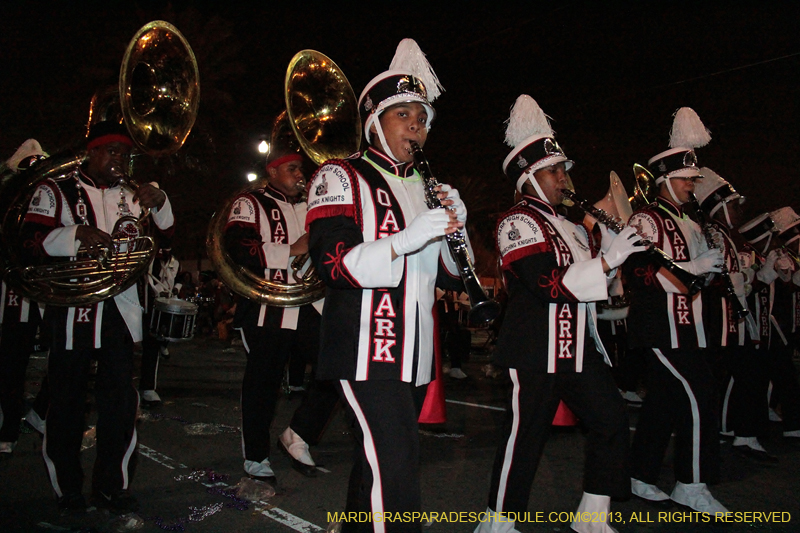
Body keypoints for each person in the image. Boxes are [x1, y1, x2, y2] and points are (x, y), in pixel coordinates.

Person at [306, 39, 467, 532]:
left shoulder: (425, 185)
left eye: (421, 118)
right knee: (396, 469)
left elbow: (447, 276)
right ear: (375, 120)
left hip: (413, 353)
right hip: (363, 350)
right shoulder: (339, 175)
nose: (416, 126)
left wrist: (455, 231)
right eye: (403, 116)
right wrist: (405, 240)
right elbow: (333, 264)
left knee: (375, 465)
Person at [476, 95, 643, 533]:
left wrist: (611, 249)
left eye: (563, 169)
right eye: (554, 170)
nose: (564, 177)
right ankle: (498, 522)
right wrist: (606, 261)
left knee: (611, 420)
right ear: (529, 176)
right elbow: (547, 283)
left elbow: (591, 291)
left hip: (576, 349)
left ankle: (592, 514)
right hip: (533, 348)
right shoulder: (516, 221)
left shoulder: (572, 226)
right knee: (525, 438)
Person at [19, 120, 175, 515]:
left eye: (125, 154)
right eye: (112, 152)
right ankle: (67, 489)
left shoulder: (132, 194)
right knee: (67, 403)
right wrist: (74, 236)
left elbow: (168, 235)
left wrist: (160, 203)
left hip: (121, 313)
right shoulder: (55, 190)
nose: (119, 160)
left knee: (121, 406)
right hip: (72, 312)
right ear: (92, 152)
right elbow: (28, 243)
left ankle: (113, 486)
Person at [624, 108, 728, 515]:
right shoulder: (647, 219)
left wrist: (709, 268)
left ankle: (639, 473)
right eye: (686, 179)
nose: (692, 186)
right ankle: (692, 483)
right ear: (666, 180)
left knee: (665, 402)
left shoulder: (690, 221)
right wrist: (691, 270)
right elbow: (641, 275)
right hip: (658, 327)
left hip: (687, 327)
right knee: (700, 396)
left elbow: (696, 281)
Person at [224, 144, 340, 488]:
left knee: (335, 369)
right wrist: (292, 249)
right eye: (291, 168)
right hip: (266, 307)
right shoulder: (250, 202)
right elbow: (238, 249)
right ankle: (256, 457)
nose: (300, 175)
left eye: (301, 169)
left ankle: (297, 434)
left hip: (309, 305)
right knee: (262, 385)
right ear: (272, 171)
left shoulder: (312, 206)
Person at [693, 168, 776, 462]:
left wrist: (756, 276)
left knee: (746, 375)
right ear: (718, 206)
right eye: (732, 205)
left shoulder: (729, 237)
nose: (737, 210)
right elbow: (711, 278)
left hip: (733, 322)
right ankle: (723, 435)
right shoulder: (712, 234)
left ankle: (741, 434)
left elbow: (739, 281)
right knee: (722, 380)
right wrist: (743, 278)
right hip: (718, 323)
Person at [0, 139, 48, 454]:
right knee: (11, 360)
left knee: (67, 358)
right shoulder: (8, 200)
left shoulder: (50, 198)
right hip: (13, 289)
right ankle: (8, 427)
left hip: (42, 290)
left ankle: (37, 413)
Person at [139, 247, 180, 408]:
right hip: (141, 304)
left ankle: (148, 388)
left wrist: (176, 289)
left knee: (152, 345)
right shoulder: (148, 258)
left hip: (158, 307)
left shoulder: (175, 262)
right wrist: (156, 291)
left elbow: (180, 277)